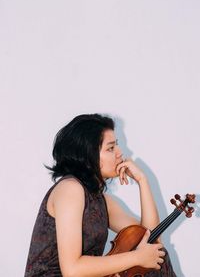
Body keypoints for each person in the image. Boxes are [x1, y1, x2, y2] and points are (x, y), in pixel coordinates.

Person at [25, 113, 176, 277]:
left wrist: (142, 181)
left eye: (116, 146)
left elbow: (151, 240)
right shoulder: (70, 189)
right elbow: (72, 270)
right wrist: (136, 258)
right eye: (111, 148)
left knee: (159, 257)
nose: (120, 153)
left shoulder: (102, 202)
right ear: (88, 155)